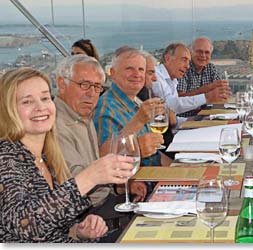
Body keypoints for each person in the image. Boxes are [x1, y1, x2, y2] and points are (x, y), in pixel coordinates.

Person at [0, 67, 135, 242]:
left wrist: (78, 230)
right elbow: (26, 225)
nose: (41, 107)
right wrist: (89, 177)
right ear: (8, 110)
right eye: (27, 102)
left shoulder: (47, 156)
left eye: (45, 98)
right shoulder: (5, 156)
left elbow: (51, 219)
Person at [54, 55, 147, 242]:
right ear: (61, 84)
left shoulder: (82, 114)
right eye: (84, 85)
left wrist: (120, 188)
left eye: (97, 87)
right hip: (89, 217)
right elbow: (76, 182)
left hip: (105, 202)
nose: (92, 93)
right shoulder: (55, 125)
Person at [93, 46, 171, 167]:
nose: (137, 74)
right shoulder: (106, 108)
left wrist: (175, 167)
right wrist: (139, 120)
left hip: (155, 174)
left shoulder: (135, 101)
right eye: (129, 69)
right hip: (138, 181)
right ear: (112, 73)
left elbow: (155, 154)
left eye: (141, 69)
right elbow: (105, 157)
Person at [153, 43, 230, 125]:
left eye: (188, 62)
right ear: (168, 58)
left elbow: (173, 117)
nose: (187, 66)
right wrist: (207, 97)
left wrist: (197, 120)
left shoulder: (172, 81)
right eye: (184, 60)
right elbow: (171, 105)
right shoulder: (156, 76)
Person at [177, 37, 230, 117]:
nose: (203, 55)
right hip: (185, 119)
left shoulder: (211, 68)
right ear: (191, 52)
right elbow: (179, 99)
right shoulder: (184, 69)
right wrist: (208, 89)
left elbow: (220, 94)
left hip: (206, 117)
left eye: (207, 52)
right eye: (199, 52)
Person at [137, 51, 177, 159]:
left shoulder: (147, 93)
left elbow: (172, 119)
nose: (155, 78)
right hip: (163, 154)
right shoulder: (140, 97)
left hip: (167, 152)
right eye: (150, 73)